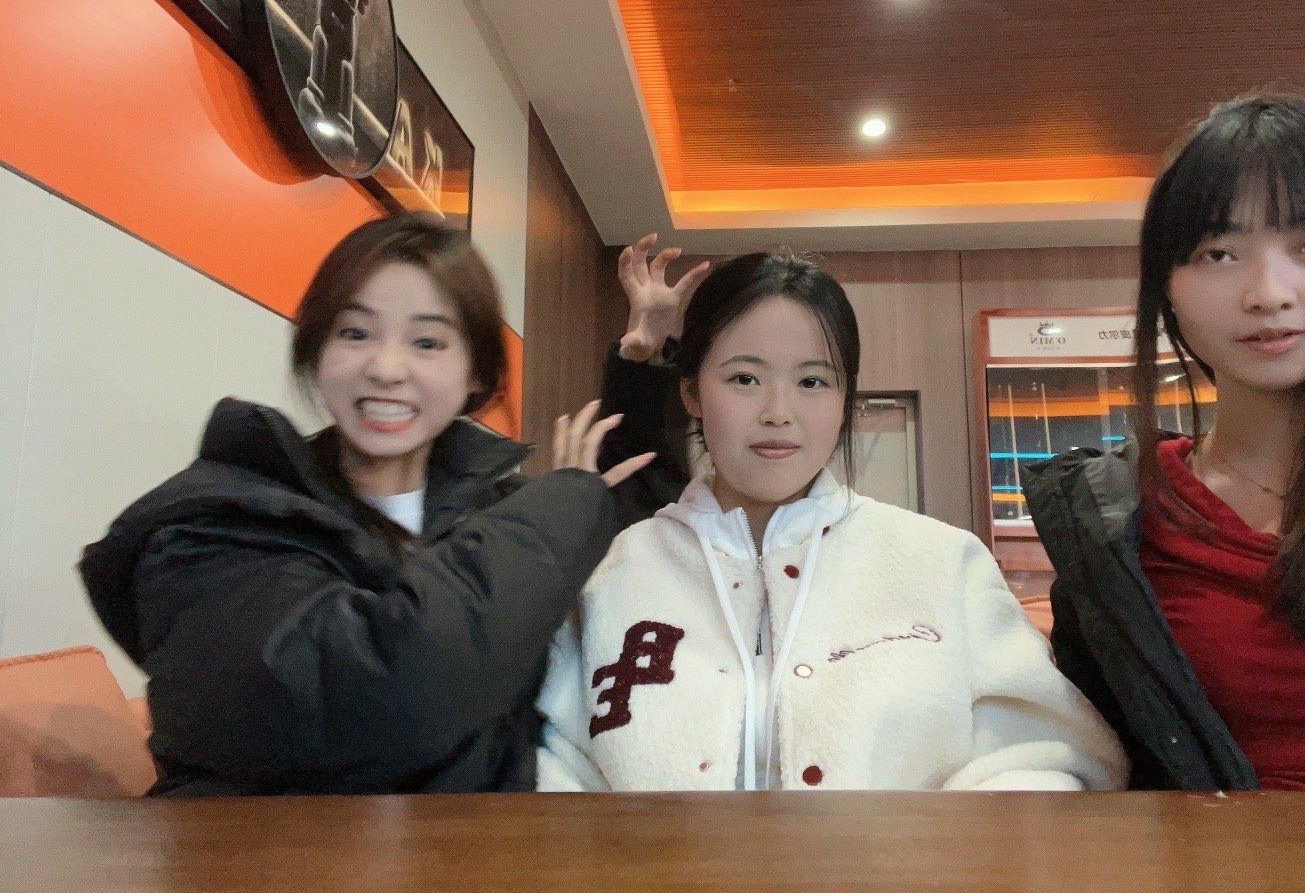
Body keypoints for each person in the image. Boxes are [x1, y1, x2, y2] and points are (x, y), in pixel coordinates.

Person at [81, 212, 657, 795]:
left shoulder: (491, 510)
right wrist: (566, 501)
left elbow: (641, 531)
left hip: (478, 848)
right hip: (269, 853)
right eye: (355, 333)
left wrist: (642, 367)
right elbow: (392, 691)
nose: (385, 369)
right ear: (316, 350)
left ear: (475, 375)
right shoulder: (215, 521)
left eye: (427, 342)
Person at [536, 251, 1127, 791]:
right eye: (744, 379)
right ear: (691, 392)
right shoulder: (616, 568)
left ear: (846, 399)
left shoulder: (944, 562)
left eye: (812, 381)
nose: (778, 412)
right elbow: (556, 767)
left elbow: (1050, 756)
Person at [1021, 92, 1305, 790]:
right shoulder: (1119, 521)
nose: (1267, 293)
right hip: (1198, 865)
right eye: (1219, 253)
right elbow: (1091, 764)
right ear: (1167, 287)